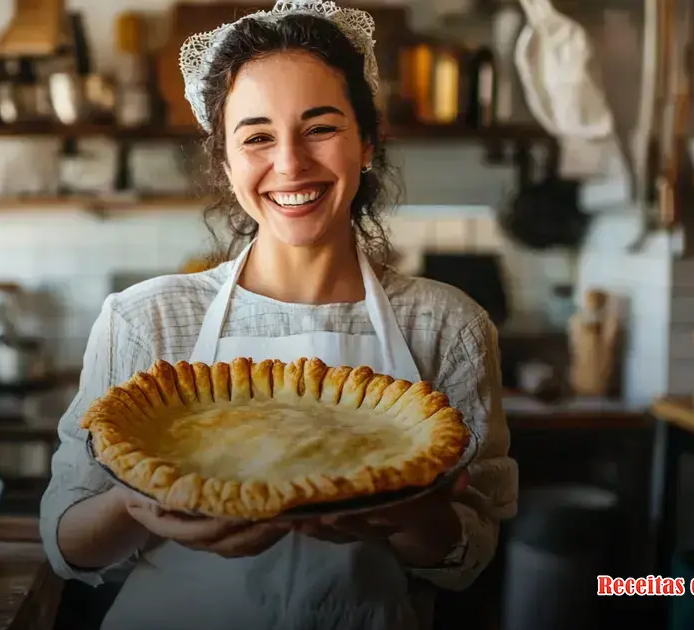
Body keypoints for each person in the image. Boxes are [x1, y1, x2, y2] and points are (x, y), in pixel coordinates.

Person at [39, 2, 518, 628]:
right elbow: (64, 541)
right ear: (226, 162)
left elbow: (468, 556)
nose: (290, 163)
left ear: (368, 142)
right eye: (258, 137)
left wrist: (419, 518)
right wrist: (133, 506)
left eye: (320, 127)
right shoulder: (146, 321)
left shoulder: (448, 327)